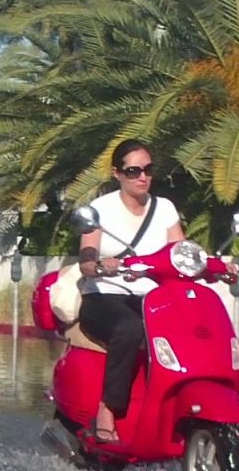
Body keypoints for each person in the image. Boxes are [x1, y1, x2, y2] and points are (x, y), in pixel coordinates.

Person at [76, 139, 184, 442]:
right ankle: (107, 410)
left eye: (148, 170)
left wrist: (211, 266)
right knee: (130, 327)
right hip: (104, 297)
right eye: (134, 170)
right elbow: (86, 257)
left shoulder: (164, 208)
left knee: (188, 327)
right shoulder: (100, 209)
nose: (142, 177)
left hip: (151, 298)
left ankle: (179, 410)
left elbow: (180, 251)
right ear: (117, 173)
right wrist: (98, 266)